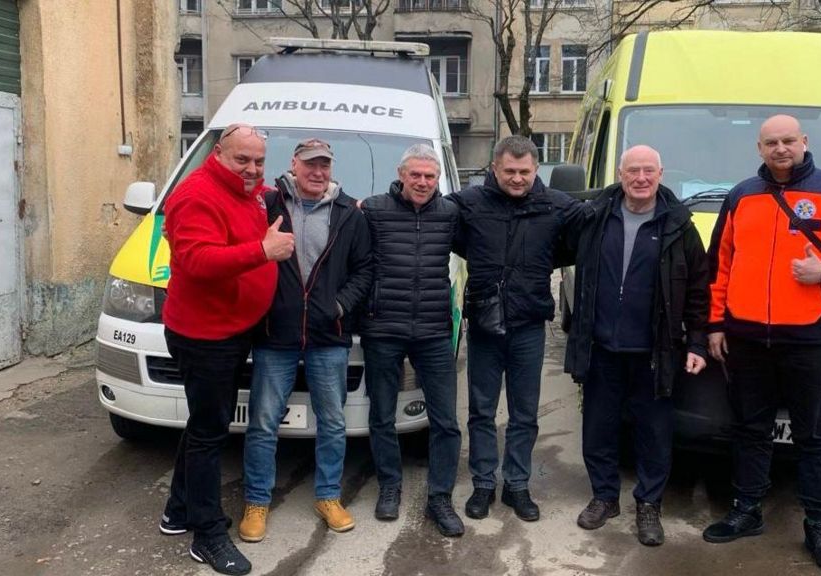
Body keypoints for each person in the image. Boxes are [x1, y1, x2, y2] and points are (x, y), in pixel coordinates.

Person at [702, 115, 821, 575]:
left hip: (811, 339)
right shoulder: (741, 196)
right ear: (759, 148)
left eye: (788, 141)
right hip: (746, 337)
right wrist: (717, 324)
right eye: (771, 143)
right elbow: (720, 265)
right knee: (749, 430)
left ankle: (819, 523)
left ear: (804, 142)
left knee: (816, 436)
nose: (780, 149)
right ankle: (747, 509)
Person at [160, 123, 290, 576]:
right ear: (219, 153)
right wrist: (263, 251)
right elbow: (196, 261)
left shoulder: (245, 189)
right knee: (211, 434)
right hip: (205, 336)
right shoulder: (196, 195)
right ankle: (208, 535)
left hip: (232, 329)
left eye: (259, 161)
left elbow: (255, 193)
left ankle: (178, 511)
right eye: (243, 160)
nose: (252, 169)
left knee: (203, 424)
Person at [563, 145, 710, 547]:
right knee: (598, 427)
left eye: (648, 170)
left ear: (660, 173)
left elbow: (700, 290)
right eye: (633, 171)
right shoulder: (595, 215)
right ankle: (605, 497)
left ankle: (648, 505)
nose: (641, 178)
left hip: (655, 350)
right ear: (620, 173)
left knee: (654, 432)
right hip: (601, 346)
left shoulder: (679, 225)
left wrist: (697, 342)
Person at [238, 138, 373, 543]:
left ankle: (328, 496)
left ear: (332, 168)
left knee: (332, 422)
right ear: (293, 165)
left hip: (328, 335)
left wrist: (338, 306)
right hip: (275, 334)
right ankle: (257, 501)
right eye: (310, 164)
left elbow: (364, 270)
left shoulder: (350, 213)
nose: (317, 172)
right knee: (263, 423)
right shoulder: (268, 204)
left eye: (324, 165)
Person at [450, 135, 585, 522]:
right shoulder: (470, 204)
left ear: (536, 169)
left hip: (528, 325)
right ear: (494, 168)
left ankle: (517, 485)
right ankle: (482, 484)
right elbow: (438, 221)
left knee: (524, 413)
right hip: (485, 325)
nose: (517, 178)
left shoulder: (555, 205)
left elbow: (581, 234)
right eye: (509, 171)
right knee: (481, 410)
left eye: (524, 171)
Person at [360, 144, 464, 537]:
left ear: (438, 179)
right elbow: (356, 261)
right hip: (383, 328)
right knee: (382, 415)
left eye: (430, 176)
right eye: (415, 175)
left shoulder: (450, 214)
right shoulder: (373, 210)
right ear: (401, 175)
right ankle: (390, 486)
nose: (423, 182)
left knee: (446, 421)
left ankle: (440, 497)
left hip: (434, 330)